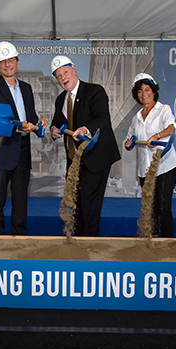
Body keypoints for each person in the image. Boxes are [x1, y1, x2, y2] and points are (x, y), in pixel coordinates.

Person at [50, 55, 121, 236]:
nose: (63, 77)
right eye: (58, 75)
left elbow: (102, 118)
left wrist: (85, 128)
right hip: (75, 161)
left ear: (74, 71)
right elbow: (57, 122)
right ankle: (79, 241)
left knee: (89, 206)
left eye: (65, 72)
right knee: (76, 204)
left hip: (96, 157)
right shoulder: (60, 100)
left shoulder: (94, 91)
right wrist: (53, 130)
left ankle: (88, 248)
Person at [0, 41, 47, 235]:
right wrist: (21, 125)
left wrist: (38, 125)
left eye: (10, 60)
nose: (7, 65)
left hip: (22, 152)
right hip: (0, 152)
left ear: (17, 62)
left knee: (21, 202)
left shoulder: (26, 88)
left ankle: (19, 241)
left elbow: (31, 116)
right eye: (3, 61)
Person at [124, 73, 176, 237]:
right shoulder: (136, 117)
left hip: (165, 167)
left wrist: (158, 136)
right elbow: (130, 138)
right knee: (150, 208)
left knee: (163, 206)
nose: (144, 94)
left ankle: (168, 243)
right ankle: (152, 241)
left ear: (154, 91)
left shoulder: (163, 110)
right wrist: (129, 144)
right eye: (140, 91)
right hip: (145, 170)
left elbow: (172, 127)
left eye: (147, 90)